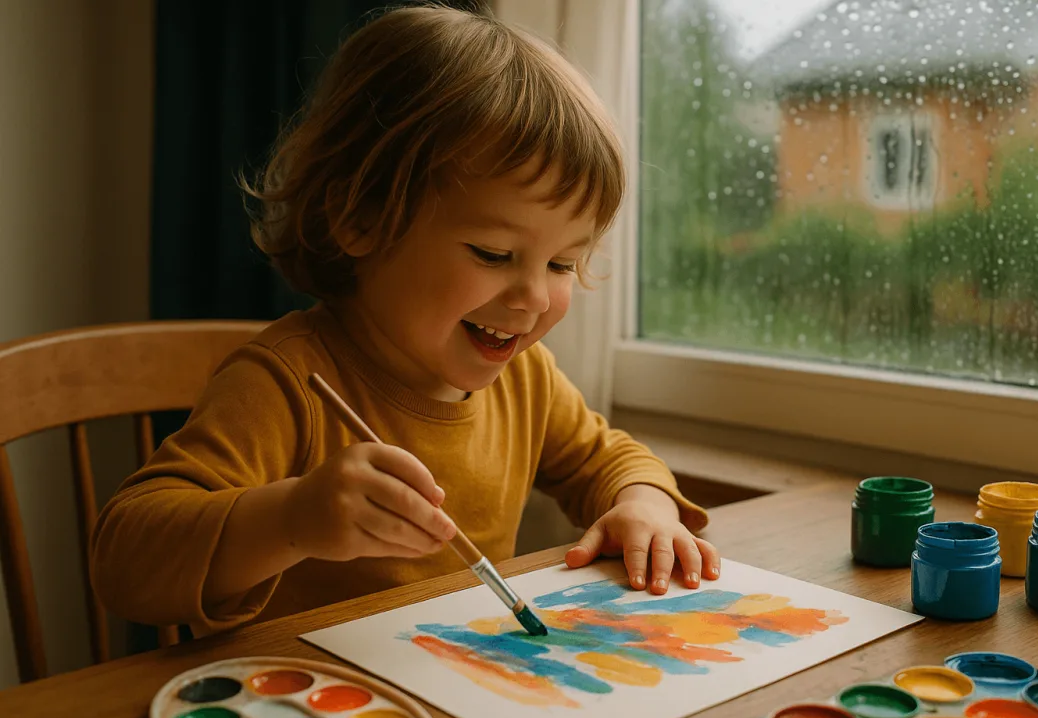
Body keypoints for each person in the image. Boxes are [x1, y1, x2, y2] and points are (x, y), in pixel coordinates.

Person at [92, 3, 719, 637]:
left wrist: (644, 504)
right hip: (310, 717)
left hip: (462, 704)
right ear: (360, 219)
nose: (532, 296)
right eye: (494, 254)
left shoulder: (525, 379)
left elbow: (608, 458)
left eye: (563, 263)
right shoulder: (284, 383)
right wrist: (292, 519)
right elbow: (124, 561)